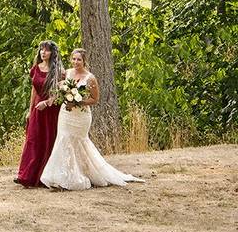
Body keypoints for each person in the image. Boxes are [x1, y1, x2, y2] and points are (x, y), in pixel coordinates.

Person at [39, 48, 144, 190]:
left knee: (79, 144)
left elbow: (95, 99)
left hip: (81, 116)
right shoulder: (67, 73)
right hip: (65, 114)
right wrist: (48, 102)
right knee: (63, 141)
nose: (76, 62)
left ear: (84, 61)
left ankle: (84, 174)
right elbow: (59, 92)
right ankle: (62, 177)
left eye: (79, 59)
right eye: (74, 59)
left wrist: (78, 101)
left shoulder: (90, 78)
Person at [15, 40, 63, 187]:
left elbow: (60, 92)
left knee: (48, 140)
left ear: (52, 53)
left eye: (47, 50)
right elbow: (34, 91)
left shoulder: (59, 71)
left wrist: (47, 102)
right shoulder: (36, 68)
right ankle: (26, 176)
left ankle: (45, 177)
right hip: (37, 108)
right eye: (41, 49)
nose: (43, 52)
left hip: (51, 109)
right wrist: (30, 111)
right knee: (33, 139)